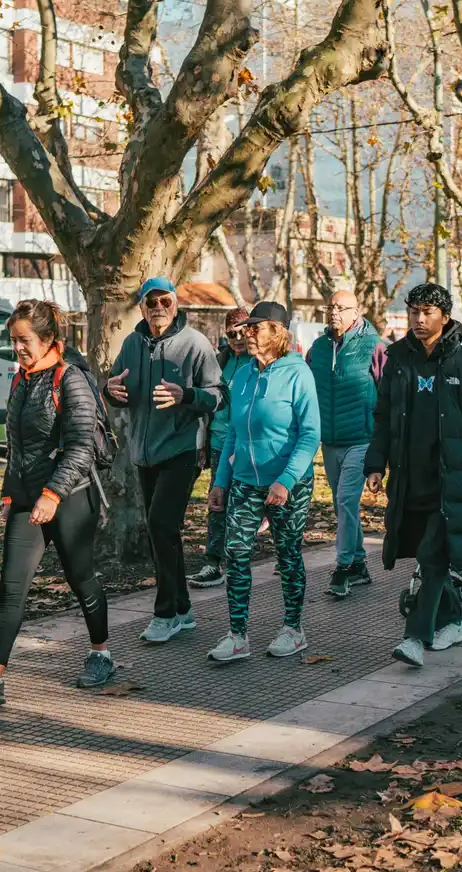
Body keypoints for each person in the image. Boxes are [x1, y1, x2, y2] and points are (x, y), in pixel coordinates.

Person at [0, 302, 112, 703]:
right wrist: (11, 493)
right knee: (12, 586)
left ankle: (101, 653)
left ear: (48, 340)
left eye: (24, 340)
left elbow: (79, 449)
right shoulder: (21, 380)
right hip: (28, 499)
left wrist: (52, 495)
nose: (17, 348)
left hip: (72, 497)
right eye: (14, 341)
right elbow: (16, 447)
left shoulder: (70, 379)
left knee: (80, 577)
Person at [365, 283, 462, 668]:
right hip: (409, 479)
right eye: (414, 312)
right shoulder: (398, 360)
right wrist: (376, 464)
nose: (419, 320)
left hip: (451, 479)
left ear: (445, 315)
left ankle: (414, 638)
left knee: (434, 554)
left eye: (427, 312)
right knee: (425, 553)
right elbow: (383, 417)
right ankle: (453, 621)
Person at [105, 277, 223, 643]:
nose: (158, 308)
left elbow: (218, 395)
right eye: (151, 302)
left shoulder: (195, 344)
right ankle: (184, 610)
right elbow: (116, 388)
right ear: (141, 306)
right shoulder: (132, 344)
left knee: (159, 525)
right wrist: (109, 390)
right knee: (166, 532)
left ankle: (165, 612)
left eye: (165, 302)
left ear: (176, 304)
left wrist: (186, 394)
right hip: (143, 453)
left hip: (181, 450)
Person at [206, 302, 321, 661]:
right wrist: (220, 481)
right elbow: (232, 436)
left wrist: (285, 480)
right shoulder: (241, 377)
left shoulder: (297, 373)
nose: (246, 334)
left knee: (287, 555)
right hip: (244, 481)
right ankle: (237, 635)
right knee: (236, 553)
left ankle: (293, 629)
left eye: (256, 328)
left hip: (288, 483)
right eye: (245, 329)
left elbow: (310, 434)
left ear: (279, 332)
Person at [305, 290, 387, 598]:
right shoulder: (318, 348)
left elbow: (387, 392)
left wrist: (383, 443)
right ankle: (359, 564)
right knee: (343, 508)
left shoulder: (374, 346)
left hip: (362, 439)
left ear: (357, 312)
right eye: (330, 307)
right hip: (331, 440)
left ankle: (342, 567)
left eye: (341, 307)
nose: (334, 312)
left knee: (345, 499)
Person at [190, 307, 253, 589]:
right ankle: (213, 562)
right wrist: (203, 444)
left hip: (247, 444)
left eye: (242, 332)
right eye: (231, 334)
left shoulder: (258, 362)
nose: (237, 338)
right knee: (217, 502)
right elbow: (208, 404)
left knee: (245, 503)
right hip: (218, 441)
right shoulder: (219, 361)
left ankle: (243, 557)